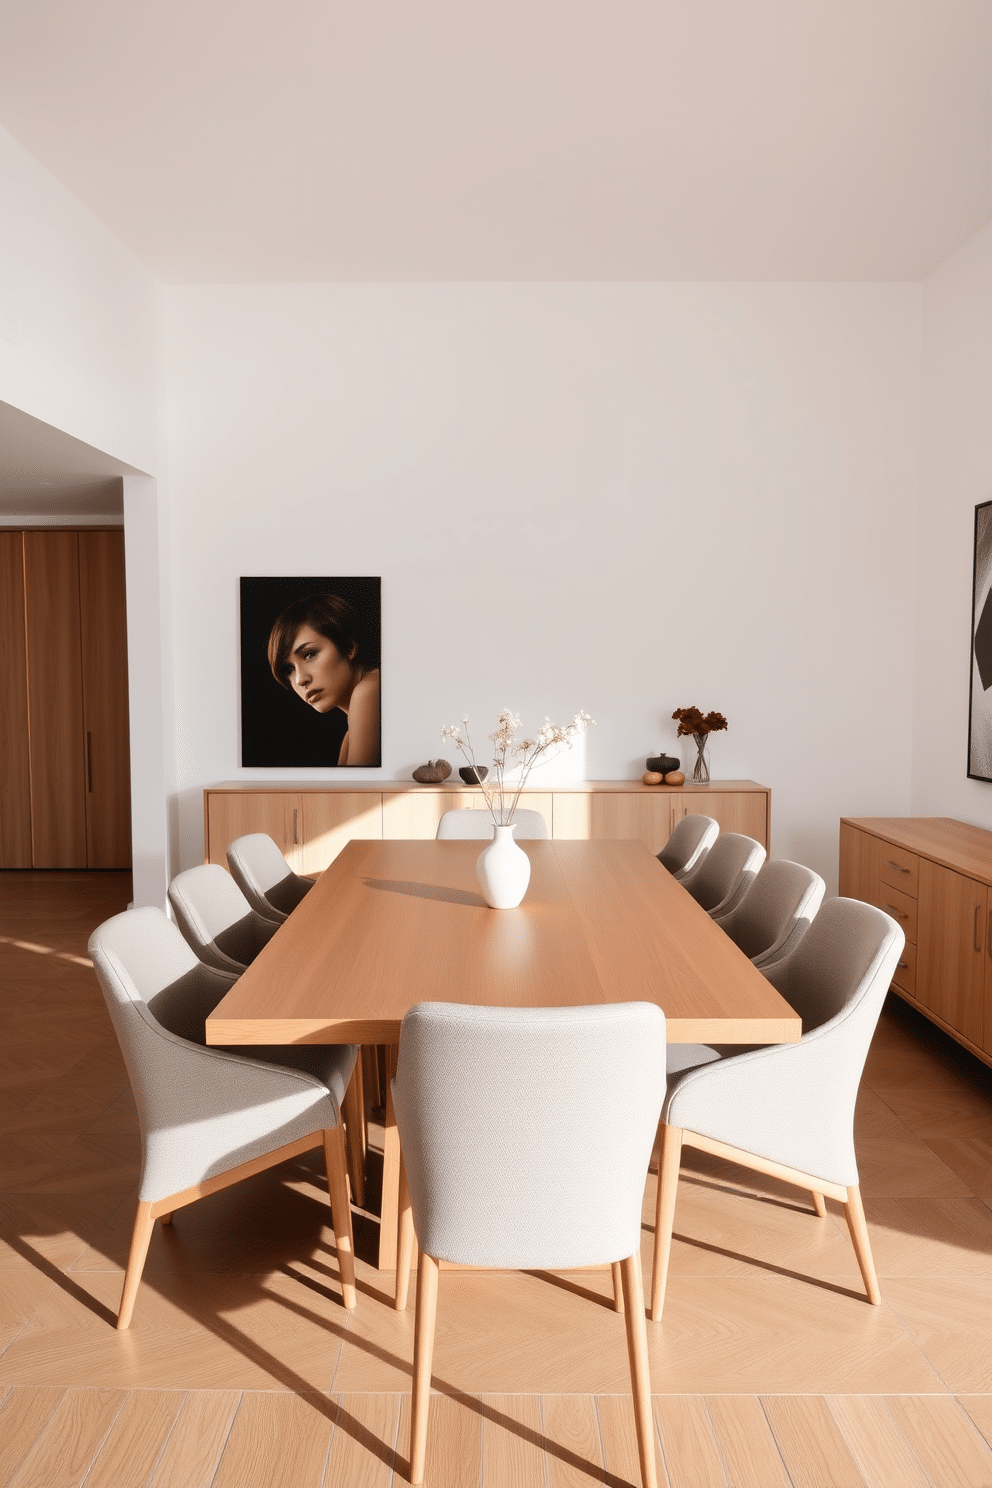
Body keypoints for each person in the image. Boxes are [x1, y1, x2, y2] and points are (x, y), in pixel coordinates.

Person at [267, 592, 381, 766]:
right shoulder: (350, 737)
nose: (299, 679)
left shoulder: (369, 690)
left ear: (349, 646)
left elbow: (356, 791)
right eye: (288, 669)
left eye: (309, 654)